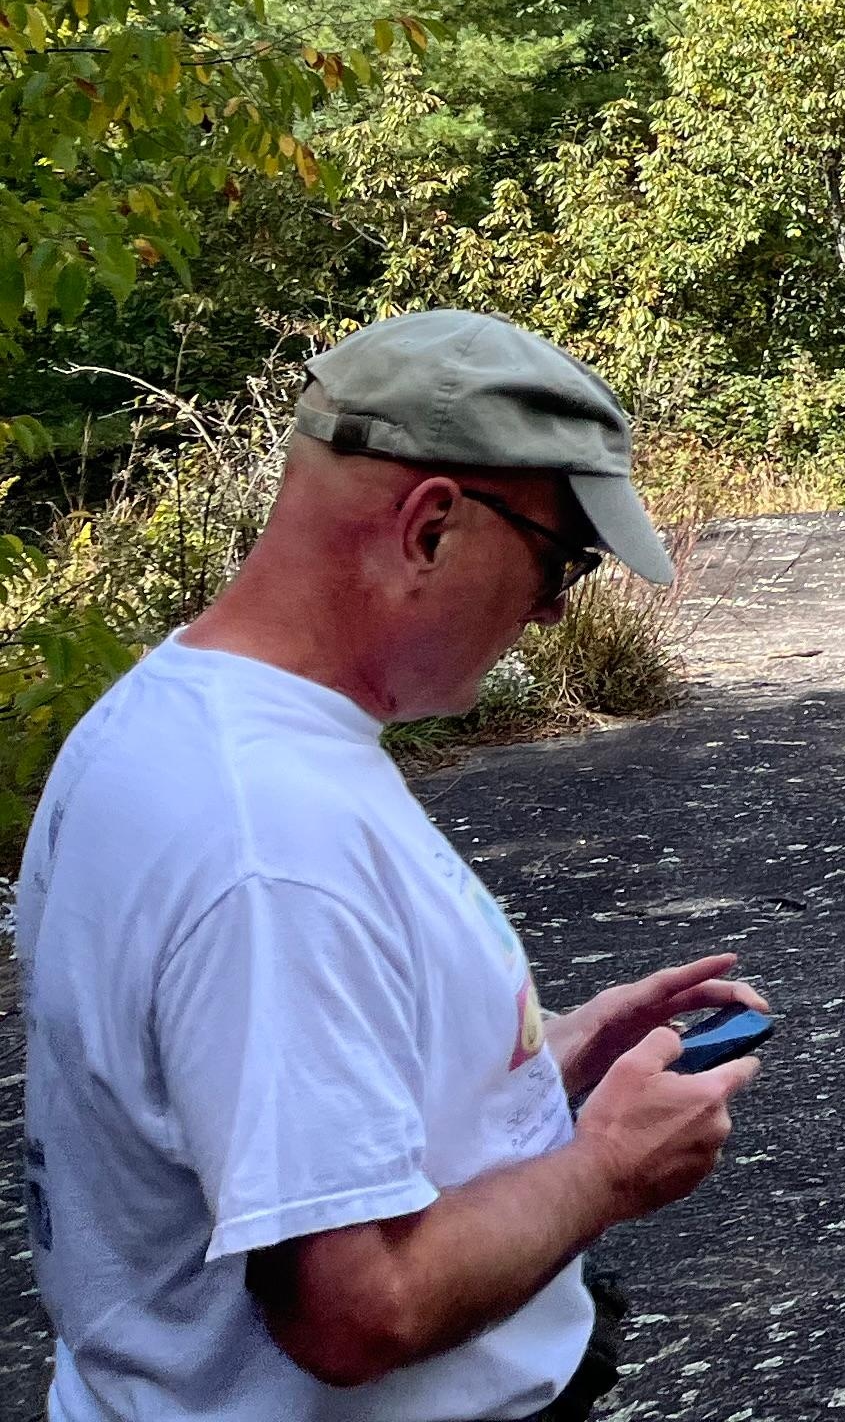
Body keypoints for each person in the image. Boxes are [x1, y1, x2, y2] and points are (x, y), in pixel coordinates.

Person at [15, 311, 762, 1421]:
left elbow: (260, 1102)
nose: (554, 607)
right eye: (560, 557)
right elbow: (355, 1311)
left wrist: (533, 1076)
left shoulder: (169, 718)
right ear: (430, 527)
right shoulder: (270, 843)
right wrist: (606, 1169)